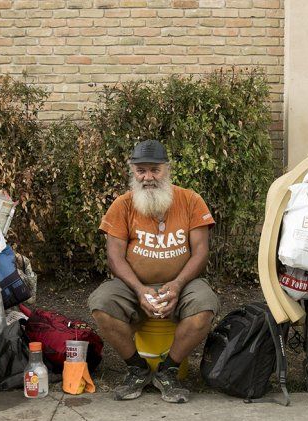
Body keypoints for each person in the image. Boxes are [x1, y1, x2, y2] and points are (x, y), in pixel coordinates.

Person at [88, 139, 219, 404]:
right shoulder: (122, 205)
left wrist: (177, 284)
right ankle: (136, 369)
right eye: (141, 171)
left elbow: (201, 252)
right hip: (133, 284)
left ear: (167, 169)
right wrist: (139, 289)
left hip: (183, 284)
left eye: (154, 170)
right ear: (133, 172)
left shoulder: (191, 200)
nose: (148, 177)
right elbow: (114, 257)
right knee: (101, 303)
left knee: (205, 305)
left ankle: (168, 370)